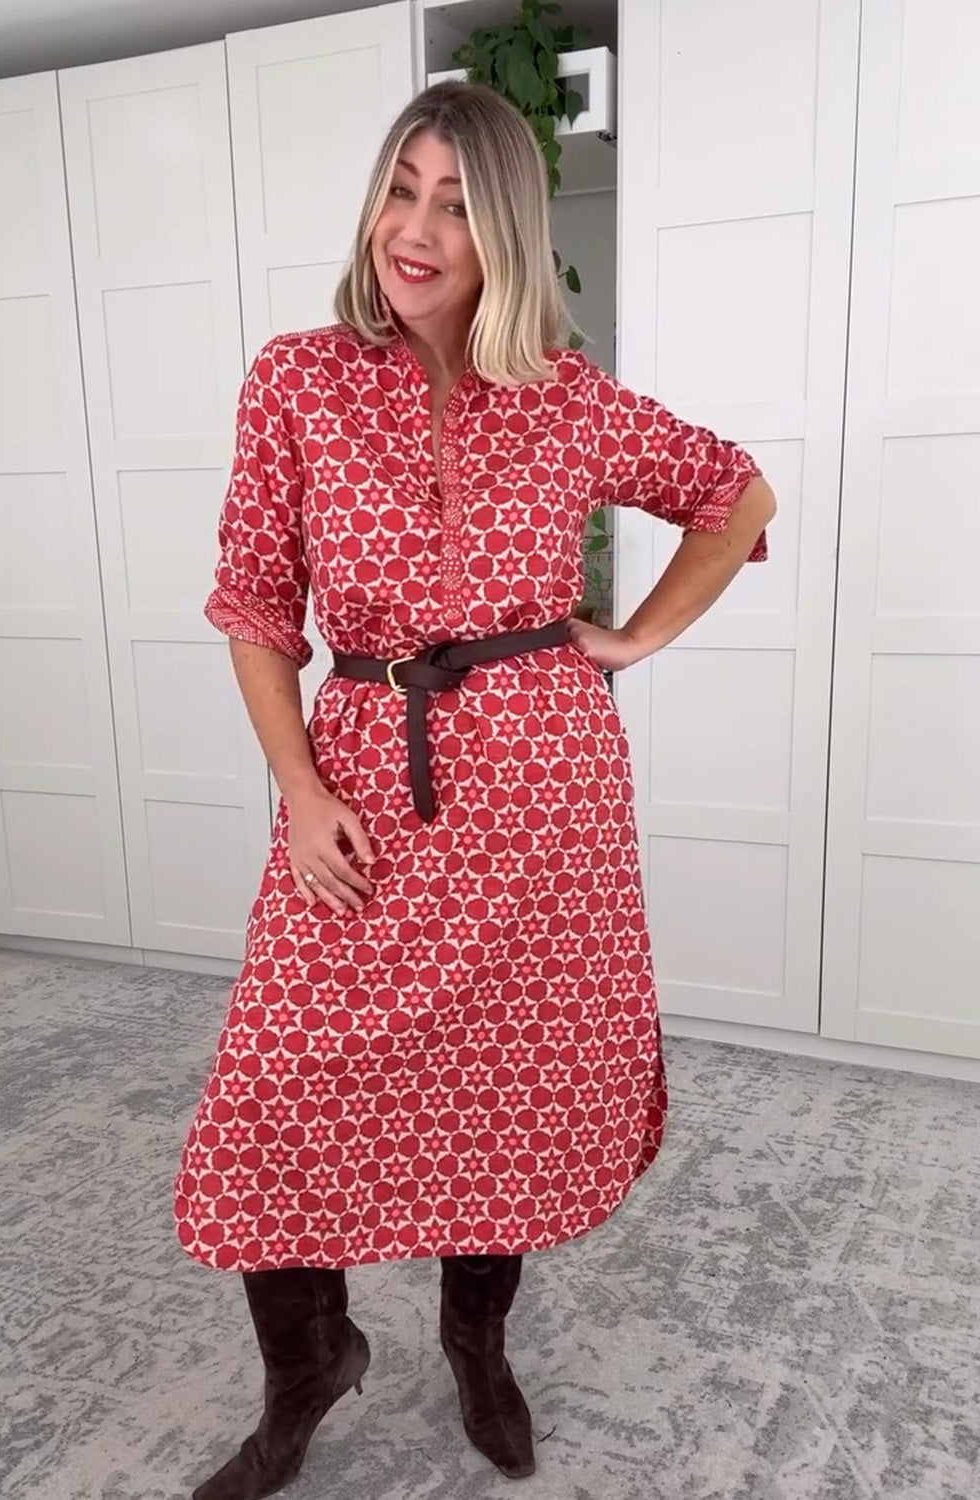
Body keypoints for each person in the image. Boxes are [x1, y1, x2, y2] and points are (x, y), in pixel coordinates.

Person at [174, 80, 775, 1500]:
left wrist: (631, 638)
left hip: (541, 795)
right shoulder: (299, 379)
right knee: (273, 1087)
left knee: (500, 1086)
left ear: (502, 227)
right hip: (364, 782)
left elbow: (735, 494)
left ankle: (474, 1346)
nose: (417, 228)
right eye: (402, 190)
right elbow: (255, 606)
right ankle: (311, 1364)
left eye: (454, 202)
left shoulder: (564, 397)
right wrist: (299, 787)